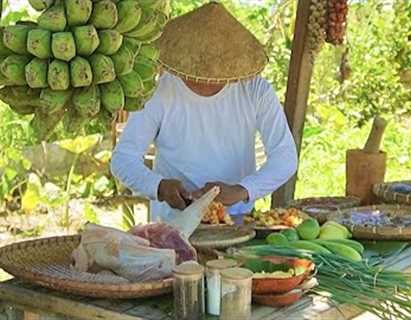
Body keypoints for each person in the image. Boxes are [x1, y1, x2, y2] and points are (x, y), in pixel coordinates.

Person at [111, 2, 298, 226]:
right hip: (172, 224)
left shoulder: (256, 90)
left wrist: (241, 191)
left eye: (215, 70)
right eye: (199, 69)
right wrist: (159, 187)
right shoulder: (159, 92)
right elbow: (123, 160)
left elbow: (285, 157)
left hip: (236, 222)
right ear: (183, 60)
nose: (207, 78)